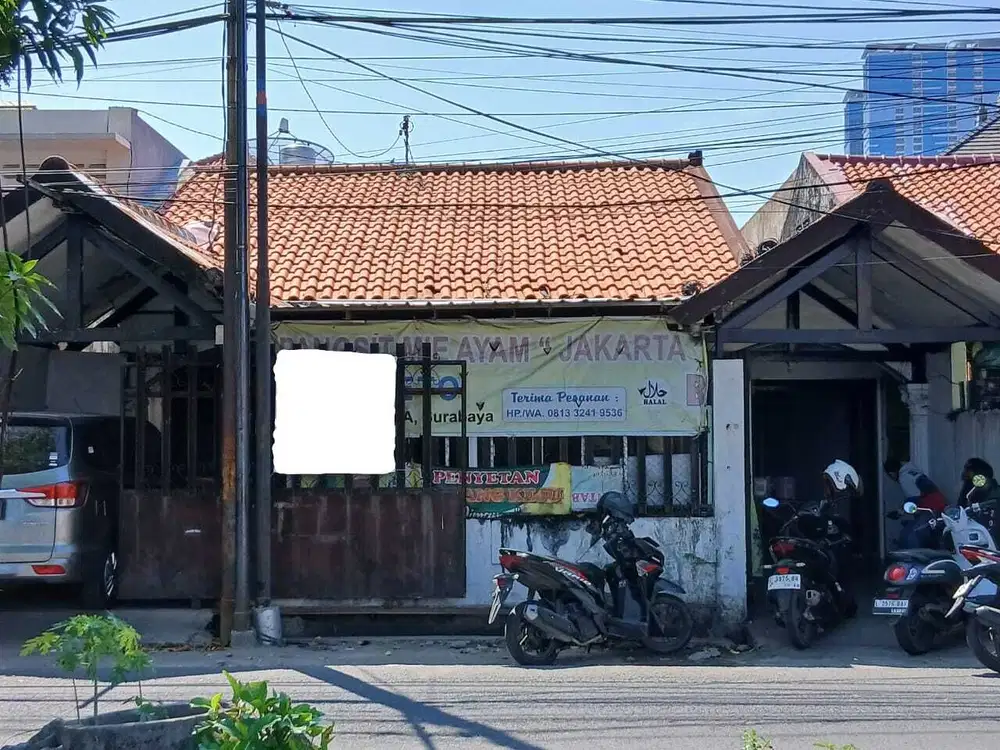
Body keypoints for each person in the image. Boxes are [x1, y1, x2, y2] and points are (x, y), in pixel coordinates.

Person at [883, 457, 947, 549]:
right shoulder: (912, 472)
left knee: (910, 535)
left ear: (891, 473)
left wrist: (899, 512)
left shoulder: (904, 477)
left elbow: (914, 499)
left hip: (930, 510)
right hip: (938, 507)